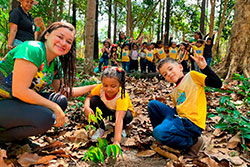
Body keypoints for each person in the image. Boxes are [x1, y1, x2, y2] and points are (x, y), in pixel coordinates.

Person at [0, 22, 96, 143]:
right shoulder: (32, 49)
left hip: (16, 101)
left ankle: (17, 136)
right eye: (60, 37)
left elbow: (63, 91)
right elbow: (20, 91)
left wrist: (94, 87)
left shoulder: (55, 62)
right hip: (4, 100)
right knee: (46, 117)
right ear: (46, 35)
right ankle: (4, 138)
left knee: (60, 101)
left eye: (68, 41)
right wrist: (53, 107)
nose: (63, 43)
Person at [147, 56, 222, 157]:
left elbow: (217, 83)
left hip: (191, 122)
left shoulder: (192, 76)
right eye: (165, 74)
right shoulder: (174, 91)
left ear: (180, 67)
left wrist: (204, 68)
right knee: (153, 105)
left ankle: (192, 142)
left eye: (170, 69)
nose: (169, 74)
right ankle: (165, 137)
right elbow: (177, 109)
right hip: (178, 117)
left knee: (159, 133)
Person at [84, 66, 134, 145]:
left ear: (120, 85)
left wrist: (116, 141)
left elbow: (119, 119)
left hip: (121, 115)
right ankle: (100, 127)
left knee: (127, 116)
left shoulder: (121, 96)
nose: (108, 89)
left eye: (113, 86)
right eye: (105, 85)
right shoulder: (100, 88)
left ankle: (121, 129)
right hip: (107, 111)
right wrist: (86, 107)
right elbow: (89, 97)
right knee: (93, 100)